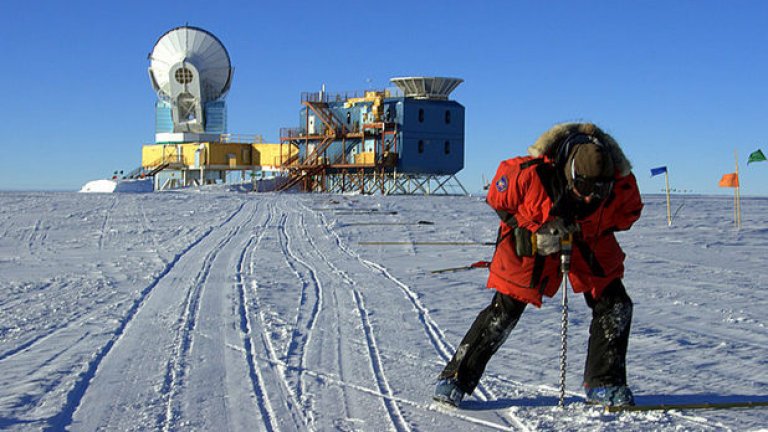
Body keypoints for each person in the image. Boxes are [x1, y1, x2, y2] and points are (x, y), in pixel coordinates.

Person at [434, 123, 644, 408]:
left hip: (589, 240)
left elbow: (628, 216)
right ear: (569, 172)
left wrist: (582, 229)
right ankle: (455, 378)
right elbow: (498, 200)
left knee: (616, 304)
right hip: (531, 239)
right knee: (505, 308)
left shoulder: (622, 186)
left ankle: (604, 383)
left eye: (600, 189)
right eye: (582, 186)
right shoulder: (527, 175)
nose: (589, 196)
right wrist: (536, 227)